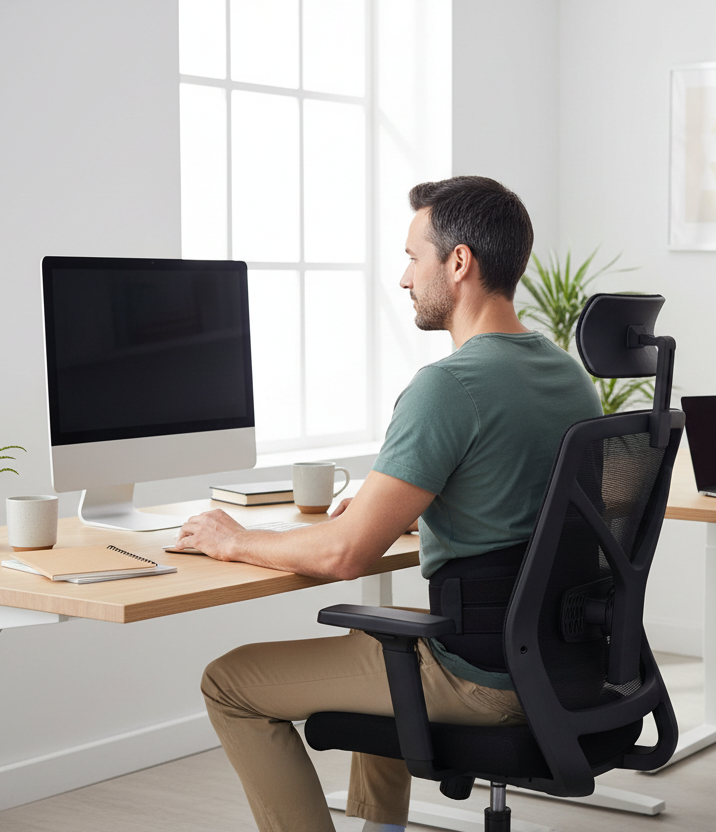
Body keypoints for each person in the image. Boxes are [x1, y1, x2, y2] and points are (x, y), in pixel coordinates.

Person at [179, 176, 602, 832]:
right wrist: (398, 503)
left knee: (229, 683)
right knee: (377, 637)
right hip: (560, 660)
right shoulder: (566, 376)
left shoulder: (449, 386)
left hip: (483, 678)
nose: (404, 279)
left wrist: (233, 540)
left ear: (458, 262)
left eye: (413, 257)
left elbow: (345, 554)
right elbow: (514, 499)